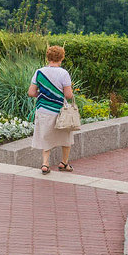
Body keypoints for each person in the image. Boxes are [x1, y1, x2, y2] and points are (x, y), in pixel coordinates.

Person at [27, 45, 76, 174]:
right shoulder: (63, 73)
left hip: (43, 110)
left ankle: (45, 164)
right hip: (60, 112)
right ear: (61, 57)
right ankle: (64, 163)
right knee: (66, 137)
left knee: (46, 136)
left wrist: (43, 95)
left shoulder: (39, 72)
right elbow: (68, 95)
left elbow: (31, 92)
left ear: (48, 57)